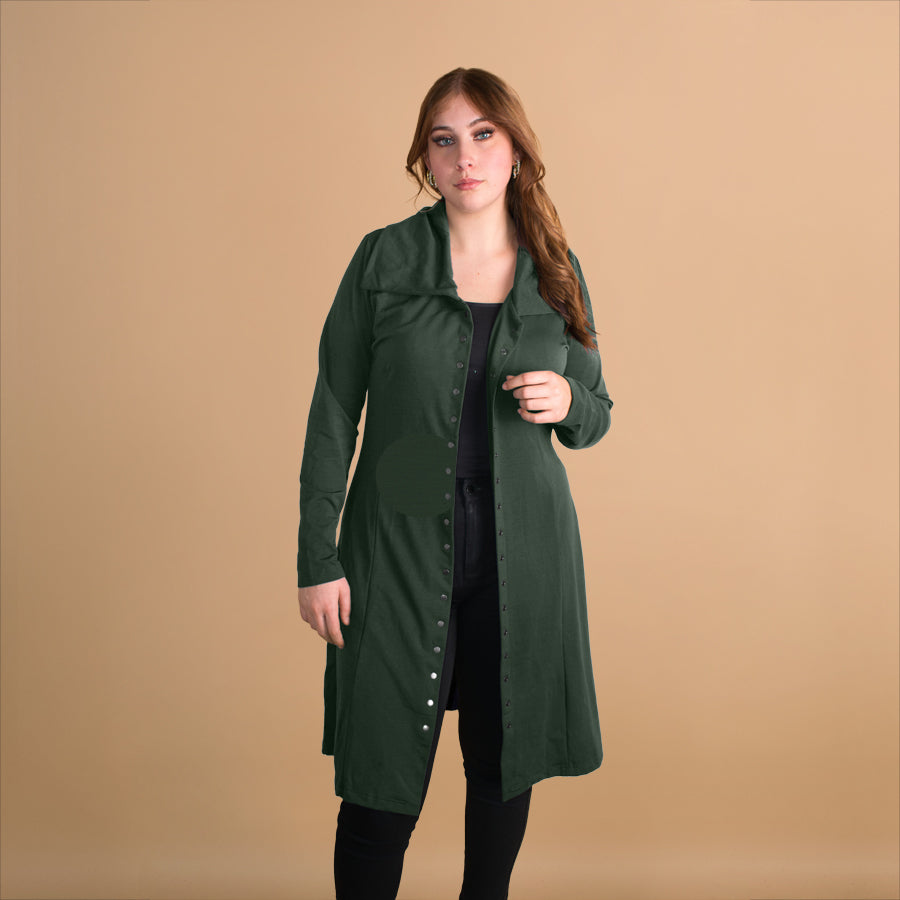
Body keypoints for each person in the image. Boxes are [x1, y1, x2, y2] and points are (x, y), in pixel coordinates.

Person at [296, 67, 614, 900]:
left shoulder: (556, 268)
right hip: (395, 541)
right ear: (426, 161)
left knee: (503, 766)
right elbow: (334, 411)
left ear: (515, 153)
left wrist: (568, 398)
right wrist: (317, 559)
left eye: (483, 136)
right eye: (445, 140)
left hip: (525, 548)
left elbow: (596, 414)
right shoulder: (383, 258)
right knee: (378, 779)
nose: (465, 157)